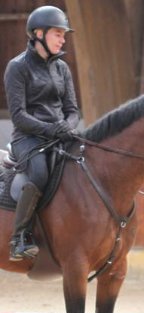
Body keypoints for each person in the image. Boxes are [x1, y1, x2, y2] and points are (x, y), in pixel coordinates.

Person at [4, 5, 79, 261]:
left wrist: (68, 126)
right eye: (57, 33)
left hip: (60, 135)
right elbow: (19, 116)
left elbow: (73, 110)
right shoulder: (17, 67)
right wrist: (50, 128)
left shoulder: (62, 69)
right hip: (28, 138)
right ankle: (19, 238)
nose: (63, 39)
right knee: (38, 172)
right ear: (38, 33)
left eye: (63, 35)